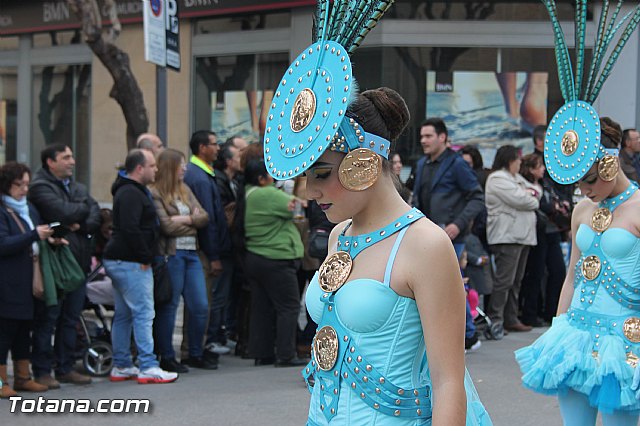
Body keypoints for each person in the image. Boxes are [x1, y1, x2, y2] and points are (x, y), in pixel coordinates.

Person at [28, 144, 100, 388]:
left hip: (77, 263)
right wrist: (79, 214)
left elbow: (95, 215)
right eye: (65, 157)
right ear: (51, 162)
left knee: (71, 318)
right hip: (54, 263)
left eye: (72, 156)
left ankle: (66, 366)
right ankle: (41, 370)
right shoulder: (40, 186)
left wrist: (78, 220)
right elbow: (60, 211)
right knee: (48, 319)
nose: (72, 161)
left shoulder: (77, 186)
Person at [103, 149, 178, 384]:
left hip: (124, 259)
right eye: (152, 166)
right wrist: (145, 257)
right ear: (139, 168)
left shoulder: (130, 191)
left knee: (125, 314)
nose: (156, 169)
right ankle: (147, 365)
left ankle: (122, 364)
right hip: (132, 261)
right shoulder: (130, 194)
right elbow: (130, 229)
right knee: (144, 313)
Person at [412, 118, 485, 350]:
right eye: (421, 136)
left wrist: (458, 224)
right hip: (425, 236)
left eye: (428, 136)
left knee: (450, 286)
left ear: (442, 137)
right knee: (432, 287)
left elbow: (477, 197)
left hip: (451, 236)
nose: (423, 140)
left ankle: (468, 335)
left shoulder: (457, 164)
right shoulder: (422, 164)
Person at [151, 149, 215, 372]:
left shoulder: (185, 189)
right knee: (170, 306)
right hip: (172, 255)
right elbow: (165, 226)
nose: (185, 168)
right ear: (171, 167)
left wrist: (183, 218)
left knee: (200, 305)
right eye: (181, 164)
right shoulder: (155, 192)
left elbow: (204, 217)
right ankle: (167, 355)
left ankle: (194, 353)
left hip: (192, 254)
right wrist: (191, 219)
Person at [240, 159, 305, 367]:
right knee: (289, 306)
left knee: (262, 307)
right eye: (271, 174)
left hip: (256, 256)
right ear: (261, 179)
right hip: (276, 257)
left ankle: (262, 352)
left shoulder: (249, 193)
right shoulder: (266, 193)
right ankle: (286, 354)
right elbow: (297, 205)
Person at [0, 162, 52, 397]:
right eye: (18, 185)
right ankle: (2, 383)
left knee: (23, 331)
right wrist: (34, 234)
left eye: (26, 185)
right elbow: (3, 244)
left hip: (28, 280)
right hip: (7, 281)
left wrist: (49, 239)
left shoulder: (27, 208)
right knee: (4, 333)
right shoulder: (2, 210)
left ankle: (23, 377)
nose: (23, 190)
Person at [183, 130, 231, 363]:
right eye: (213, 144)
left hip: (205, 250)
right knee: (201, 304)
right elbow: (208, 221)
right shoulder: (199, 177)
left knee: (202, 304)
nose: (218, 148)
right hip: (203, 251)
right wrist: (213, 255)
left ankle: (194, 347)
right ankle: (194, 349)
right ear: (202, 148)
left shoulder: (203, 174)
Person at [484, 145, 540, 339]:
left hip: (521, 236)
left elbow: (535, 191)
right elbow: (525, 200)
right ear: (509, 161)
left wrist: (531, 194)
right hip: (507, 236)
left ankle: (511, 317)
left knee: (516, 281)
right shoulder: (497, 178)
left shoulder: (516, 179)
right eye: (517, 160)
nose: (520, 164)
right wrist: (530, 195)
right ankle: (496, 318)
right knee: (504, 280)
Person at [519, 154, 567, 327]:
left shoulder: (546, 184)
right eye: (539, 166)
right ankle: (530, 313)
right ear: (531, 169)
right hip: (538, 231)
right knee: (536, 273)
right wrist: (552, 208)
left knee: (558, 270)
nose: (543, 169)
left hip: (553, 231)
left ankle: (552, 311)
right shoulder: (524, 184)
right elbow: (538, 204)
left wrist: (560, 205)